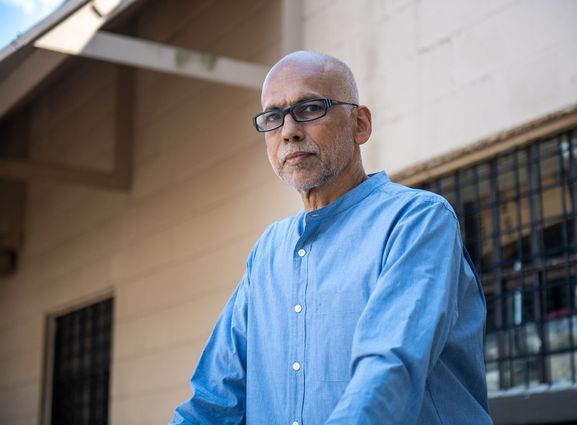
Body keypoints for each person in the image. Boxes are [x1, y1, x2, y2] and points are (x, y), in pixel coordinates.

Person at [169, 51, 492, 425]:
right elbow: (214, 401)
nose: (288, 130)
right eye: (273, 117)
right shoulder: (268, 253)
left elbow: (389, 372)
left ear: (360, 125)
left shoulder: (416, 221)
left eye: (310, 108)